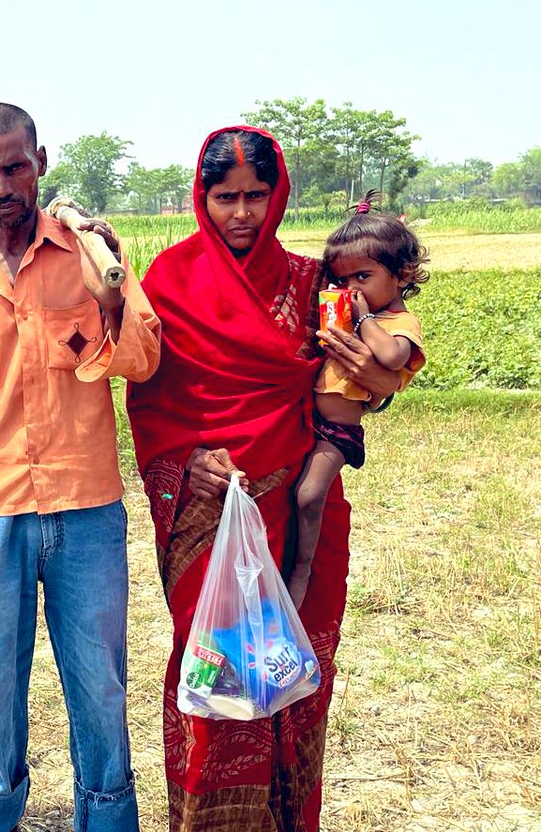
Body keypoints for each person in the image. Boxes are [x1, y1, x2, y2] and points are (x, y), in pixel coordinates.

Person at [124, 126, 401, 831]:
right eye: (225, 198)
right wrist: (187, 460)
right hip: (210, 514)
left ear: (277, 196)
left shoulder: (316, 283)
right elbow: (151, 399)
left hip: (299, 504)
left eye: (255, 196)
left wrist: (383, 378)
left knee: (296, 681)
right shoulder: (170, 281)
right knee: (217, 675)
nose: (241, 213)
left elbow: (361, 376)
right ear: (202, 198)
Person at [0, 102, 162, 832]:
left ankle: (108, 821)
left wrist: (111, 297)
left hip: (85, 512)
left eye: (16, 166)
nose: (4, 185)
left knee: (101, 690)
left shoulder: (90, 253)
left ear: (40, 162)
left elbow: (143, 358)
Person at [289, 192, 428, 606]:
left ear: (402, 275)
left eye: (362, 278)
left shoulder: (400, 321)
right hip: (304, 420)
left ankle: (302, 569)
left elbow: (390, 356)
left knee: (309, 496)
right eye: (341, 281)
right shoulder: (349, 316)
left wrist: (363, 317)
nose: (351, 290)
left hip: (337, 431)